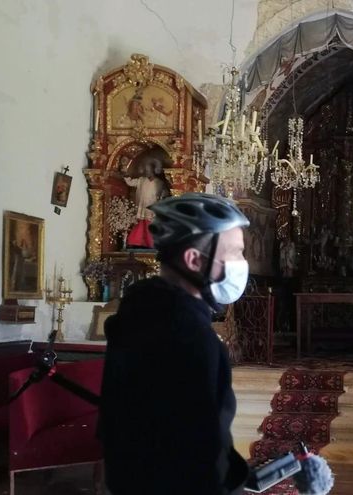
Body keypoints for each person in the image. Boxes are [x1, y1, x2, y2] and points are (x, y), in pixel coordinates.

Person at [98, 193, 251, 494]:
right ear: (194, 259)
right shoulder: (193, 339)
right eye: (234, 252)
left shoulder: (139, 312)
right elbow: (201, 457)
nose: (242, 264)